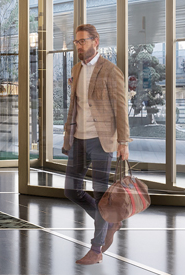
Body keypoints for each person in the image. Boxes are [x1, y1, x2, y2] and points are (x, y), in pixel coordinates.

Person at [62, 24, 131, 265]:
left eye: (83, 41)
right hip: (79, 139)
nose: (79, 46)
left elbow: (121, 108)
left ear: (96, 41)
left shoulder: (110, 70)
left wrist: (123, 142)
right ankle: (109, 221)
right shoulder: (76, 69)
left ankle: (96, 248)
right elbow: (75, 106)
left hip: (102, 141)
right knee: (71, 190)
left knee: (102, 195)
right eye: (77, 42)